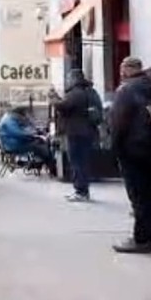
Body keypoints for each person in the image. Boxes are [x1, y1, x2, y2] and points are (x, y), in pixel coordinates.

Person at [109, 56, 151, 254]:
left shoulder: (126, 90)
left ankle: (142, 238)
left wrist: (115, 148)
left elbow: (119, 122)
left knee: (138, 195)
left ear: (126, 69)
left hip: (131, 148)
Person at [50, 69, 103, 201]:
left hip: (76, 132)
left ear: (74, 79)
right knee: (83, 161)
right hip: (89, 131)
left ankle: (81, 191)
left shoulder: (75, 93)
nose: (67, 81)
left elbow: (63, 106)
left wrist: (54, 98)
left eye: (68, 78)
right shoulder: (91, 92)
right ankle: (82, 189)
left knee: (77, 162)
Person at [0, 106, 58, 175]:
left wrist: (36, 132)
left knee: (41, 144)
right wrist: (33, 135)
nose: (26, 116)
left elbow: (27, 128)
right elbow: (18, 133)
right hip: (12, 145)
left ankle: (44, 163)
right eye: (25, 114)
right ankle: (52, 167)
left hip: (16, 142)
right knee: (39, 147)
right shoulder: (9, 121)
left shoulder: (13, 119)